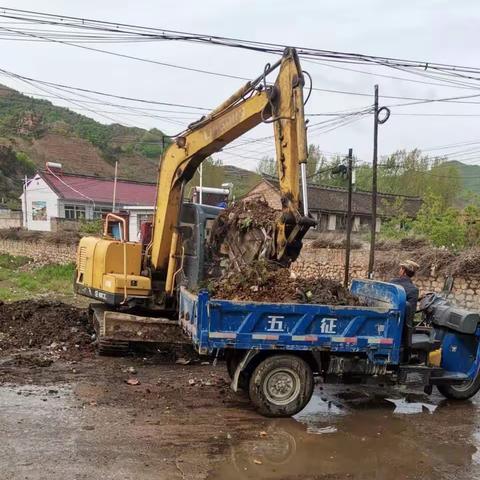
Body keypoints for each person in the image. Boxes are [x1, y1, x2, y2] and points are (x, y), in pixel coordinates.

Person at [390, 260, 420, 355]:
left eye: (400, 268)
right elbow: (410, 314)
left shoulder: (392, 284)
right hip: (398, 329)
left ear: (403, 271)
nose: (399, 270)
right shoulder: (413, 290)